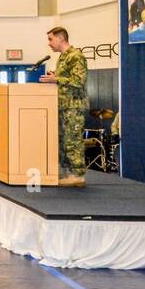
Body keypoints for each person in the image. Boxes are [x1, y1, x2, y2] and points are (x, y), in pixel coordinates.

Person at [40, 25, 89, 187]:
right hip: (63, 106)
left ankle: (77, 175)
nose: (49, 43)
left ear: (61, 38)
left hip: (73, 107)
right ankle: (68, 173)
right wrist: (56, 77)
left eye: (50, 39)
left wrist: (56, 79)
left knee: (73, 140)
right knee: (63, 140)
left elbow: (78, 81)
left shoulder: (76, 56)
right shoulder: (63, 57)